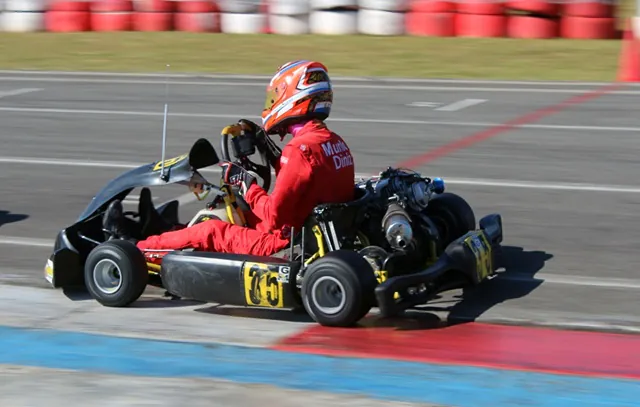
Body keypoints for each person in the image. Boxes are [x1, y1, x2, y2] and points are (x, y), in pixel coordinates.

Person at [103, 60, 356, 257]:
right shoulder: (333, 142)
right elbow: (303, 179)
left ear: (293, 97)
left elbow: (274, 216)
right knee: (234, 211)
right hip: (307, 232)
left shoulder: (298, 151)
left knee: (211, 230)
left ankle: (134, 248)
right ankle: (164, 231)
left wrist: (244, 183)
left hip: (284, 245)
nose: (271, 104)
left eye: (275, 97)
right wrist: (266, 150)